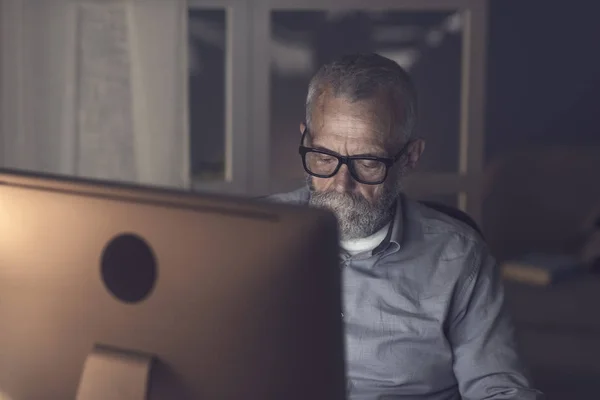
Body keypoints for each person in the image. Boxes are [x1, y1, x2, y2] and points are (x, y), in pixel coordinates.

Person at [267, 53, 544, 399]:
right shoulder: (249, 236)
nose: (341, 184)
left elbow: (500, 388)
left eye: (367, 162)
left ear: (410, 157)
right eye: (324, 158)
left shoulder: (458, 258)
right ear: (305, 140)